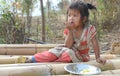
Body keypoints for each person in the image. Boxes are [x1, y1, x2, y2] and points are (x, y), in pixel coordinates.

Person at [24, 0, 106, 64]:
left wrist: (98, 57)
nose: (71, 18)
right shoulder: (69, 29)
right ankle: (33, 59)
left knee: (67, 56)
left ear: (83, 19)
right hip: (66, 49)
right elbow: (68, 45)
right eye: (69, 15)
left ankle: (55, 63)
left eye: (75, 15)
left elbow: (95, 43)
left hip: (80, 56)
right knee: (53, 52)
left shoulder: (89, 29)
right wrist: (70, 31)